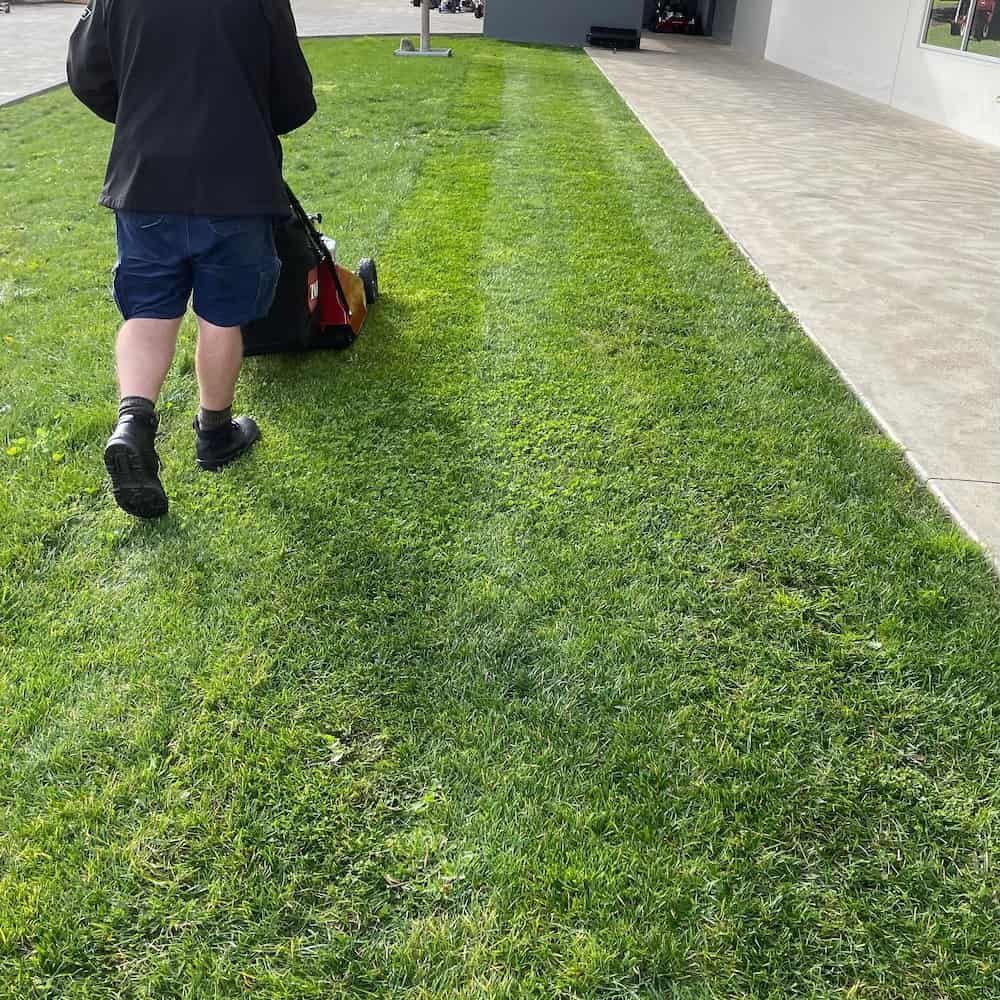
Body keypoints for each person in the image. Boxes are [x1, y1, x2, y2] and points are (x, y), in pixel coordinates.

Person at [67, 0, 316, 518]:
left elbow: (86, 74)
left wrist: (146, 106)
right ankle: (216, 432)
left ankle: (133, 424)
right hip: (236, 182)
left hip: (146, 176)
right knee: (221, 315)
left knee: (149, 311)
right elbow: (293, 98)